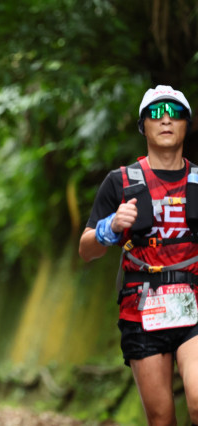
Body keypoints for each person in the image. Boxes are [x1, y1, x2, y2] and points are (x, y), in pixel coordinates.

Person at [79, 85, 198, 425]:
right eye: (156, 113)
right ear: (142, 125)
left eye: (175, 113)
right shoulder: (119, 181)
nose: (165, 119)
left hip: (195, 305)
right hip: (142, 312)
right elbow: (86, 250)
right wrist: (110, 227)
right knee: (161, 419)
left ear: (187, 125)